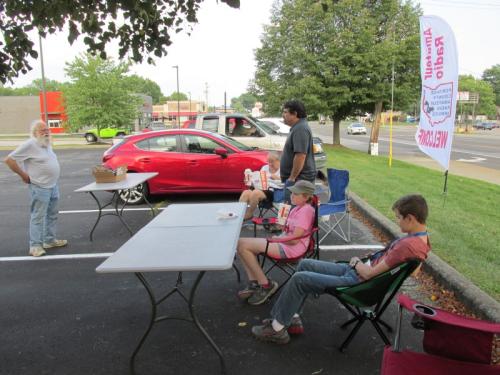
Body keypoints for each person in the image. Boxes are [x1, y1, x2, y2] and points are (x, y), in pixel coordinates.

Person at [251, 194, 431, 344]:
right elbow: (413, 270)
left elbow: (368, 273)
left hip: (358, 283)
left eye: (399, 217)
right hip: (360, 276)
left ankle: (277, 329)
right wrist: (376, 263)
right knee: (306, 264)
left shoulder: (406, 246)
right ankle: (291, 317)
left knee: (300, 278)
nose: (397, 221)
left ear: (411, 218)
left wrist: (356, 262)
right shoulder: (422, 241)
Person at [237, 180, 316, 306]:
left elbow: (295, 239)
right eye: (292, 193)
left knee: (244, 246)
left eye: (296, 194)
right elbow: (287, 228)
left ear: (306, 197)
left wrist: (277, 239)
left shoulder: (306, 211)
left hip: (290, 248)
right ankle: (255, 283)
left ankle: (265, 284)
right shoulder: (297, 208)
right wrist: (281, 224)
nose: (292, 196)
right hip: (284, 242)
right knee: (240, 243)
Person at [4, 120, 68, 257]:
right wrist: (23, 175)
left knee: (52, 214)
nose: (46, 132)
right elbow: (9, 160)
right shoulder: (30, 144)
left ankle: (49, 240)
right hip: (40, 187)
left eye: (47, 130)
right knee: (38, 216)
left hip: (52, 185)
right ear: (34, 133)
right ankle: (35, 246)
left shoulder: (45, 144)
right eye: (42, 130)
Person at [280, 100, 316, 202]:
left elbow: (301, 156)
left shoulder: (301, 129)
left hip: (299, 179)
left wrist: (292, 178)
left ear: (295, 114)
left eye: (285, 112)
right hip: (296, 179)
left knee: (293, 209)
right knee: (292, 210)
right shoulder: (297, 127)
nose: (283, 115)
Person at [239, 152, 284, 220]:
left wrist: (274, 177)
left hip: (274, 192)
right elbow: (258, 180)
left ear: (279, 160)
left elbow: (285, 183)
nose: (270, 164)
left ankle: (249, 214)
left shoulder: (283, 170)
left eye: (272, 162)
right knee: (246, 192)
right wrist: (251, 181)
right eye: (268, 161)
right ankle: (239, 215)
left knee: (255, 193)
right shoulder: (265, 168)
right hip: (261, 188)